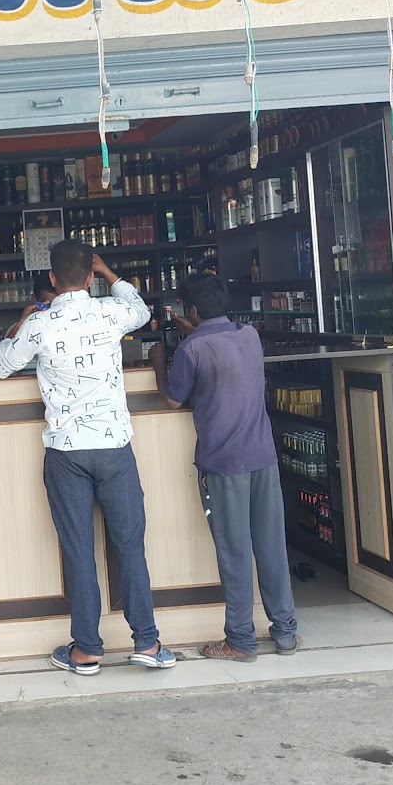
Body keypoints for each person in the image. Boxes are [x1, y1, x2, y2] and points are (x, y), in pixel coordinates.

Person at [0, 240, 176, 675]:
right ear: (90, 279)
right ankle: (147, 644)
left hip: (66, 452)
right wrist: (112, 275)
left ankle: (87, 649)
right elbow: (142, 310)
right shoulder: (110, 312)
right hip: (114, 449)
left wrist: (20, 324)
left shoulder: (40, 323)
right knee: (129, 545)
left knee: (78, 549)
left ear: (51, 279)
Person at [153, 272, 301, 661]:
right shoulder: (249, 336)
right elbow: (221, 349)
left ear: (192, 310)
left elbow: (173, 400)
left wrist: (157, 362)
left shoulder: (190, 349)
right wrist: (196, 329)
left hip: (223, 464)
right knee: (271, 546)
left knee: (235, 553)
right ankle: (286, 632)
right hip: (262, 457)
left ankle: (240, 640)